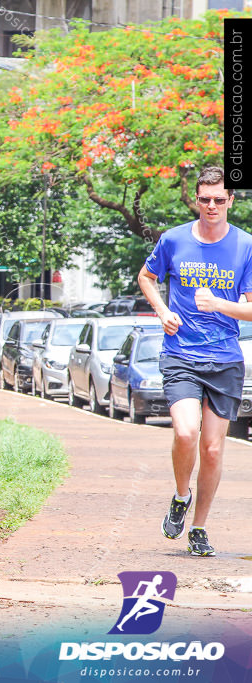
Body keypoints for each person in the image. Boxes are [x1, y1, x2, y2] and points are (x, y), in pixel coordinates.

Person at [138, 165, 252, 557]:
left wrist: (221, 304)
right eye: (205, 199)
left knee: (214, 449)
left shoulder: (245, 246)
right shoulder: (173, 240)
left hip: (224, 359)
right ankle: (180, 495)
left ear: (231, 201)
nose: (212, 206)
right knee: (186, 433)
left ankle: (199, 528)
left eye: (220, 199)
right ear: (197, 200)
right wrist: (161, 309)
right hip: (181, 353)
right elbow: (146, 277)